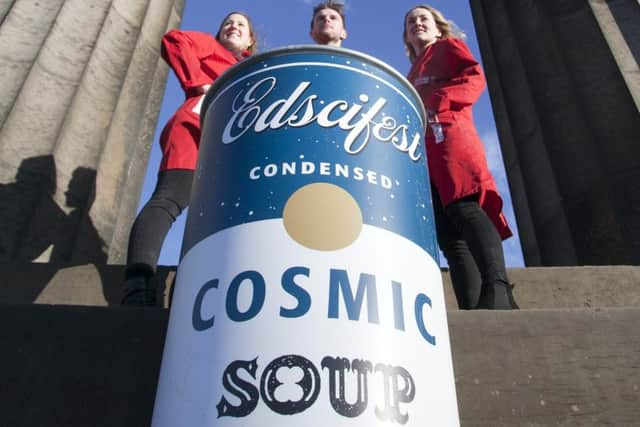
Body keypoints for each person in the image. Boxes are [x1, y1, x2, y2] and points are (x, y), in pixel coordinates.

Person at [121, 12, 258, 306]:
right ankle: (138, 282)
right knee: (171, 198)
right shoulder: (210, 46)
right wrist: (198, 84)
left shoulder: (248, 71)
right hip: (196, 127)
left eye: (240, 25)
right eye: (227, 23)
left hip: (232, 141)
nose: (232, 26)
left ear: (250, 41)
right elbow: (175, 39)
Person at [403, 5, 518, 310]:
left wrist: (440, 103)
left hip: (451, 140)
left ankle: (499, 289)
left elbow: (473, 77)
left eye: (423, 18)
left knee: (465, 208)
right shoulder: (411, 73)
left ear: (438, 27)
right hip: (424, 154)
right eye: (411, 21)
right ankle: (471, 305)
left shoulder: (447, 47)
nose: (417, 23)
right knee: (448, 234)